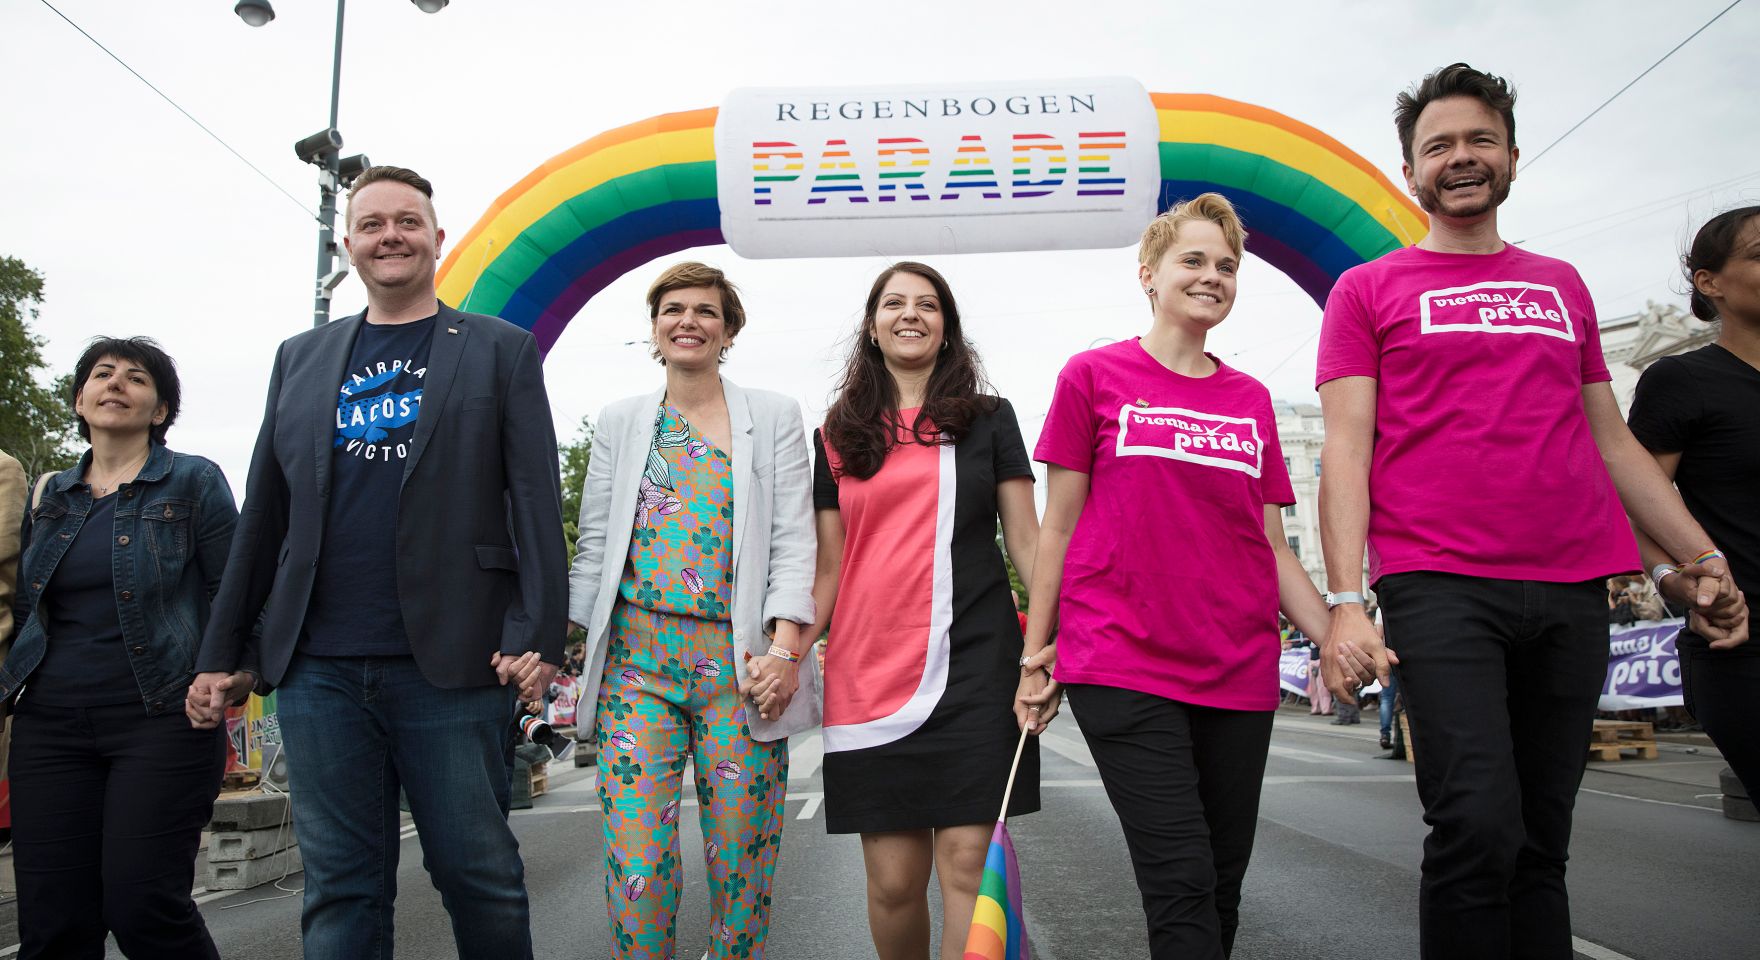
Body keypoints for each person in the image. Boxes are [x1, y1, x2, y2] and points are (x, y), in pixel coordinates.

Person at [1315, 64, 1747, 960]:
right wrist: (1346, 598)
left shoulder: (1561, 284)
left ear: (1513, 158)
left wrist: (1701, 558)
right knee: (1474, 824)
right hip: (1439, 586)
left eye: (1480, 141)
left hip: (1571, 585)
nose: (1461, 158)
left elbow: (1614, 442)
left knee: (1542, 843)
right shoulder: (1367, 290)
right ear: (1412, 173)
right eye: (1439, 146)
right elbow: (1346, 449)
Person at [189, 165, 567, 960]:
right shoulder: (301, 357)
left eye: (406, 221)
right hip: (318, 666)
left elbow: (535, 500)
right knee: (341, 886)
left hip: (456, 661)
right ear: (347, 244)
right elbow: (266, 514)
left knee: (477, 872)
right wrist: (224, 654)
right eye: (372, 224)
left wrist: (536, 631)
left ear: (437, 236)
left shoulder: (500, 350)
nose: (389, 235)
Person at [1020, 195, 1330, 959]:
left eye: (1227, 266)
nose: (1213, 276)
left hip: (1237, 668)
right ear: (1149, 275)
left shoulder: (1251, 400)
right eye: (1193, 260)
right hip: (1123, 663)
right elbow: (1056, 527)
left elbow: (1275, 549)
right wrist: (1036, 656)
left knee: (1222, 883)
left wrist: (1340, 632)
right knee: (1182, 878)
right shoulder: (1093, 375)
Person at [567, 261, 816, 960]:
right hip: (636, 669)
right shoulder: (619, 423)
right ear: (653, 329)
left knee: (742, 863)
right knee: (638, 866)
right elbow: (595, 548)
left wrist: (784, 651)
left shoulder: (772, 415)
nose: (688, 321)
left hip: (739, 671)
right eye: (673, 309)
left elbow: (795, 541)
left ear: (728, 329)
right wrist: (553, 644)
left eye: (706, 311)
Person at [808, 261, 1040, 960]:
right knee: (893, 883)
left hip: (976, 667)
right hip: (868, 676)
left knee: (970, 863)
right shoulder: (835, 433)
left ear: (947, 330)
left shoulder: (990, 420)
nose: (912, 315)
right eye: (895, 304)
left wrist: (1053, 646)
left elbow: (1028, 541)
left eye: (929, 305)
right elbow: (826, 569)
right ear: (872, 327)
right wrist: (785, 651)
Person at [2, 338, 249, 959]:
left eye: (137, 379)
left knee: (143, 906)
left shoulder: (193, 480)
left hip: (160, 717)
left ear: (160, 409)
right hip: (50, 725)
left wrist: (233, 674)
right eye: (101, 374)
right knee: (54, 922)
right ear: (80, 399)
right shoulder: (50, 494)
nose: (116, 384)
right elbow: (27, 607)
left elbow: (238, 592)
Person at [1627, 205, 1758, 797]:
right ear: (1710, 283)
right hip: (1742, 640)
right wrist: (1671, 577)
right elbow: (1634, 502)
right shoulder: (1681, 382)